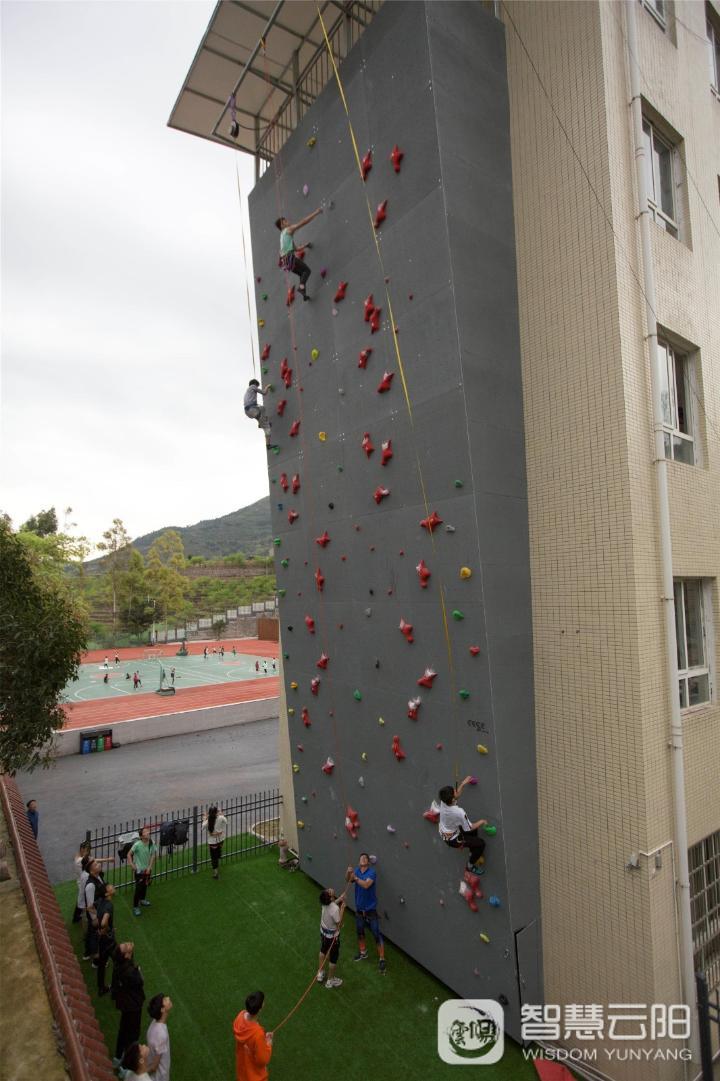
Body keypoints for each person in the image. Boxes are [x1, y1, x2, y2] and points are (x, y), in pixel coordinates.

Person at [437, 776, 488, 873]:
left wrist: (463, 784)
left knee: (474, 832)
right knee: (481, 844)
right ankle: (470, 866)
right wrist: (482, 821)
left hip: (448, 828)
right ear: (452, 800)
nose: (456, 791)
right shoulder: (459, 812)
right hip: (453, 839)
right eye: (454, 791)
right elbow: (470, 827)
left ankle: (473, 848)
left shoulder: (444, 801)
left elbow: (456, 796)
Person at [348, 853, 386, 973]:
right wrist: (348, 872)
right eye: (361, 858)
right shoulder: (356, 871)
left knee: (376, 934)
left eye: (366, 858)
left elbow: (366, 885)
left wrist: (356, 878)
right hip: (359, 910)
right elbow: (348, 880)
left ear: (368, 863)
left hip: (370, 910)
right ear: (359, 862)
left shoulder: (372, 873)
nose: (363, 859)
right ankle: (363, 952)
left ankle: (382, 959)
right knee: (360, 933)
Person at [275, 207, 323, 299]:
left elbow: (295, 249)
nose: (287, 221)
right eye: (285, 221)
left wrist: (305, 246)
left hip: (286, 263)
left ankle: (304, 294)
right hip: (289, 258)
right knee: (307, 271)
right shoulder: (288, 230)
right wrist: (316, 213)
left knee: (302, 274)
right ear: (282, 226)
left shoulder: (282, 236)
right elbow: (303, 222)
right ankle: (301, 288)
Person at [111, 942, 145, 1067]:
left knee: (123, 1030)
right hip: (133, 1005)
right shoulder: (130, 972)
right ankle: (126, 1065)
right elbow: (140, 981)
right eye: (125, 947)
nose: (127, 944)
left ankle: (118, 1057)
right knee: (132, 1035)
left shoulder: (120, 966)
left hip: (126, 1004)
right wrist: (139, 971)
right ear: (126, 955)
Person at [233, 991, 273, 1081]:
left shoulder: (240, 1016)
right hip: (254, 1077)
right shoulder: (257, 1034)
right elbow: (262, 1059)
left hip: (242, 1072)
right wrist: (269, 1043)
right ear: (260, 1008)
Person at [316, 886, 346, 988]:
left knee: (322, 951)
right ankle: (330, 981)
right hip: (332, 938)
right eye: (329, 892)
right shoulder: (335, 909)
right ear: (330, 898)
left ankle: (320, 973)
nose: (329, 890)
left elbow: (331, 906)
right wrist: (342, 909)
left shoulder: (324, 904)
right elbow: (339, 924)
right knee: (333, 959)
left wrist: (339, 899)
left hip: (323, 933)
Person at [129, 826, 156, 917]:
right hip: (139, 870)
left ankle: (142, 899)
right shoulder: (137, 845)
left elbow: (153, 855)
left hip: (147, 869)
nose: (148, 832)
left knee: (145, 885)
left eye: (147, 831)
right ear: (141, 836)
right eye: (145, 832)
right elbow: (129, 854)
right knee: (138, 888)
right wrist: (132, 865)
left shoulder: (151, 843)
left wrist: (149, 867)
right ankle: (135, 906)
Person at [84, 858, 107, 962]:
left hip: (101, 910)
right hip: (96, 915)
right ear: (91, 871)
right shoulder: (90, 885)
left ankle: (87, 953)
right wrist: (95, 918)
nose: (99, 864)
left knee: (91, 933)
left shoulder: (99, 876)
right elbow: (90, 905)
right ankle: (96, 961)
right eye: (96, 865)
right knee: (95, 936)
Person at [96, 884, 117, 995]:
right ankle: (114, 987)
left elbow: (90, 907)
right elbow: (104, 922)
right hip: (109, 940)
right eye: (110, 887)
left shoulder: (100, 901)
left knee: (102, 963)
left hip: (102, 939)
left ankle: (101, 988)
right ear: (107, 893)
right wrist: (108, 929)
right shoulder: (108, 905)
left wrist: (98, 926)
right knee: (119, 962)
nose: (113, 887)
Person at [146, 994, 173, 1081]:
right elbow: (154, 1067)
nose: (168, 998)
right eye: (165, 1000)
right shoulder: (162, 1034)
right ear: (162, 1009)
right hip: (160, 1076)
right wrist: (141, 1073)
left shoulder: (154, 1022)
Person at [201, 804, 228, 880]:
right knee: (218, 851)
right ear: (217, 812)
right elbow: (226, 822)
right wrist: (221, 814)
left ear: (209, 813)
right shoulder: (221, 818)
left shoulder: (208, 821)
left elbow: (202, 827)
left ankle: (215, 873)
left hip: (212, 842)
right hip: (221, 839)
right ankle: (218, 858)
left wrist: (204, 818)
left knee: (213, 858)